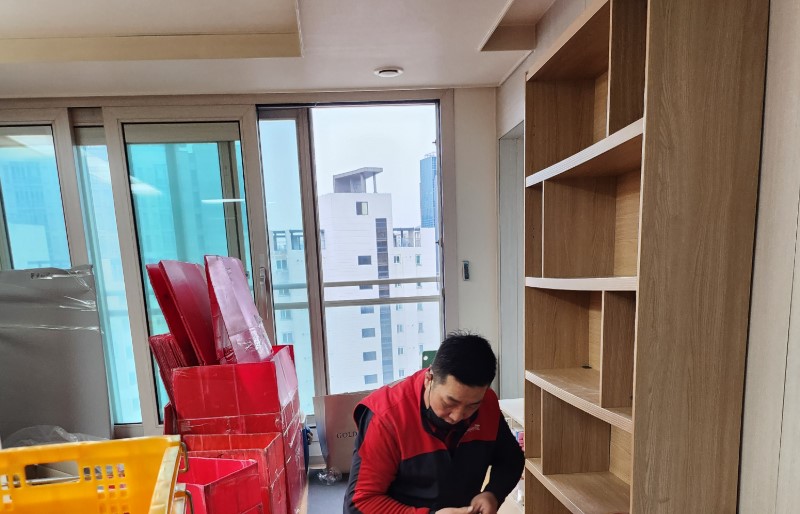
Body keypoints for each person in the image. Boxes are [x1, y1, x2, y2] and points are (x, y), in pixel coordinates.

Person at [343, 332, 524, 514]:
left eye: (472, 406)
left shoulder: (486, 403)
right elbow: (359, 504)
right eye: (449, 403)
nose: (458, 416)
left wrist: (493, 493)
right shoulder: (386, 417)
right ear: (429, 379)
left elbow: (511, 459)